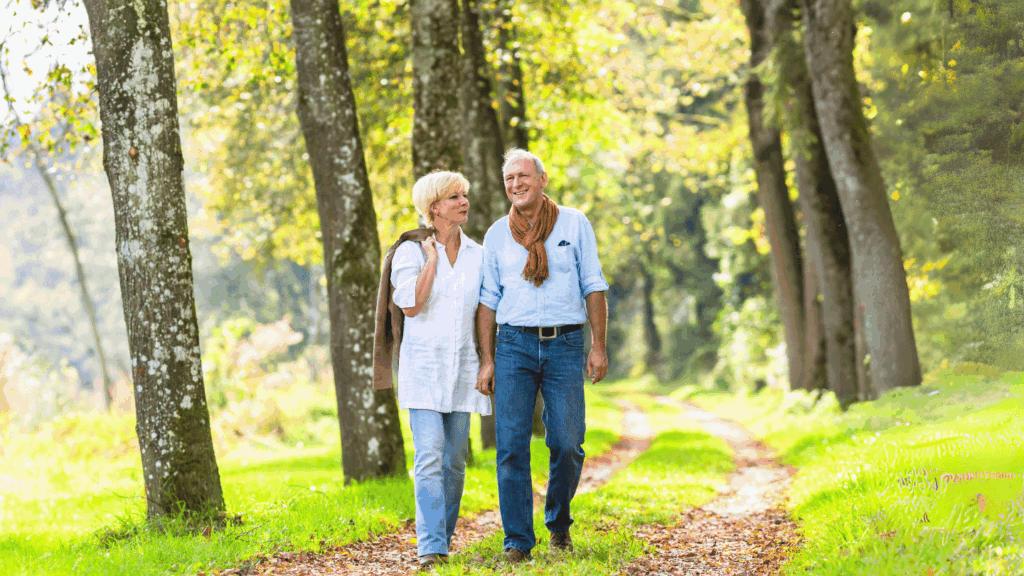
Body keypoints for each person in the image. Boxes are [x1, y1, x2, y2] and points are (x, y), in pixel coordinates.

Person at [475, 148, 609, 563]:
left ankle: (559, 522)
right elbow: (487, 300)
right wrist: (487, 358)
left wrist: (599, 346)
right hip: (513, 344)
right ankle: (517, 540)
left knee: (567, 443)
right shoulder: (497, 234)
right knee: (511, 445)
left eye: (523, 176)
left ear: (542, 179)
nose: (516, 184)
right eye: (509, 178)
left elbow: (593, 285)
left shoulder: (574, 223)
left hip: (566, 344)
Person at [371, 171, 491, 570]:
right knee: (428, 457)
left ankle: (444, 536)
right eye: (454, 196)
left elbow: (485, 312)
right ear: (434, 206)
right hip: (423, 370)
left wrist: (488, 361)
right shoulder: (410, 252)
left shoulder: (478, 253)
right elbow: (410, 305)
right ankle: (432, 548)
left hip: (463, 369)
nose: (464, 201)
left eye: (465, 195)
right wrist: (433, 260)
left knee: (455, 462)